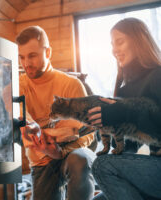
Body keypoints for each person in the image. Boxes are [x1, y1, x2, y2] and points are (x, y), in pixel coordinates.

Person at [16, 25, 96, 200]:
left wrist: (60, 151)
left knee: (79, 161)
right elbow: (23, 132)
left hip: (74, 154)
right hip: (41, 161)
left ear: (48, 52)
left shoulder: (71, 84)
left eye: (32, 56)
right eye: (21, 57)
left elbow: (88, 134)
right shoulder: (18, 86)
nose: (26, 63)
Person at [87, 18, 161, 200]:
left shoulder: (158, 75)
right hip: (149, 169)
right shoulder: (125, 89)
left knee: (101, 165)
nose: (114, 50)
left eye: (120, 42)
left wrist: (124, 110)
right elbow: (128, 148)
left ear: (138, 40)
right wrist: (108, 126)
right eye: (112, 44)